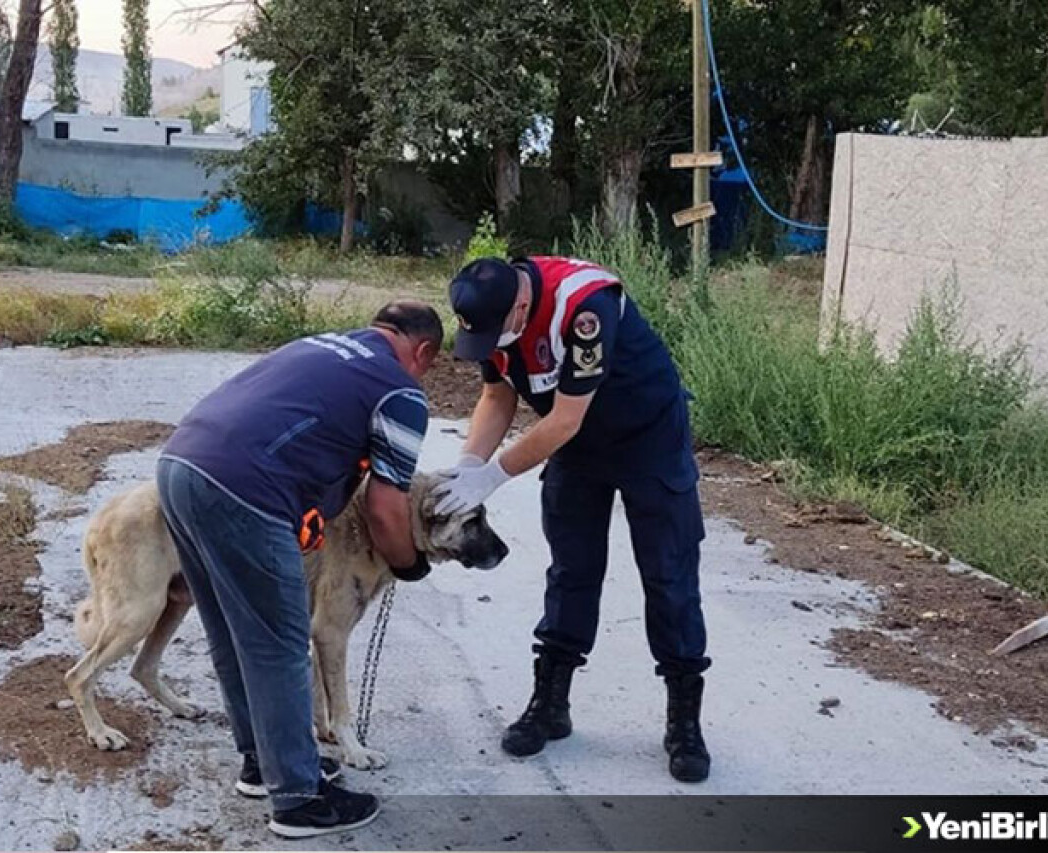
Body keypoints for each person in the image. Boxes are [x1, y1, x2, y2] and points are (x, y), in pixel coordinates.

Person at [156, 301, 443, 837]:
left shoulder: (318, 345)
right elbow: (385, 508)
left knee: (232, 635)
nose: (422, 374)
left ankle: (264, 765)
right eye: (427, 364)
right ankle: (299, 800)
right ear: (422, 351)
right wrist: (409, 564)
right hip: (244, 488)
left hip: (178, 466)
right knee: (280, 644)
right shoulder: (400, 390)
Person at [435, 256, 712, 782]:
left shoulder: (584, 307)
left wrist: (493, 477)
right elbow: (497, 395)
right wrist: (467, 466)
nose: (493, 342)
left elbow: (564, 419)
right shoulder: (494, 312)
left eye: (501, 330)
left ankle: (684, 722)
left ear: (521, 304)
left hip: (647, 441)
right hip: (577, 449)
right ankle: (551, 704)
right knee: (572, 571)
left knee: (669, 576)